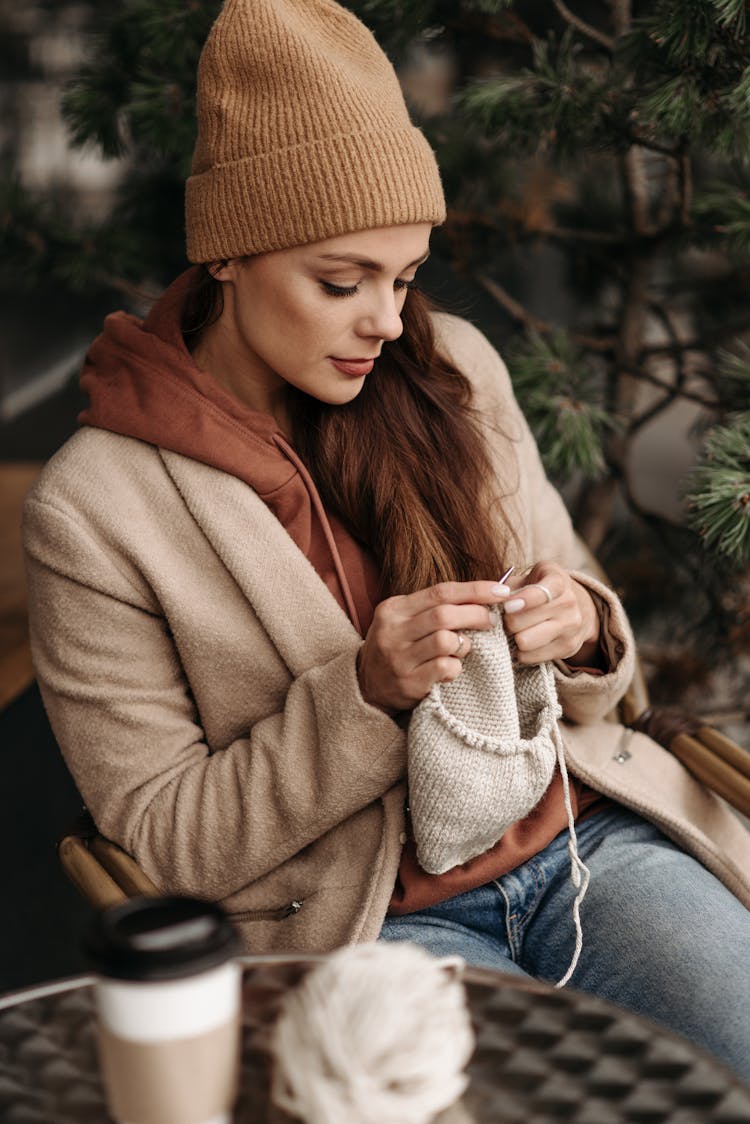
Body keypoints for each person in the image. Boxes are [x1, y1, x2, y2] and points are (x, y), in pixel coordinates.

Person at [23, 0, 750, 1081]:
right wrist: (362, 692)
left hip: (589, 849)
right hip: (362, 921)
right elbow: (170, 838)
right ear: (228, 254)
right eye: (341, 281)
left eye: (405, 277)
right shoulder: (95, 509)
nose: (390, 322)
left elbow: (603, 668)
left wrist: (587, 624)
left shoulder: (453, 366)